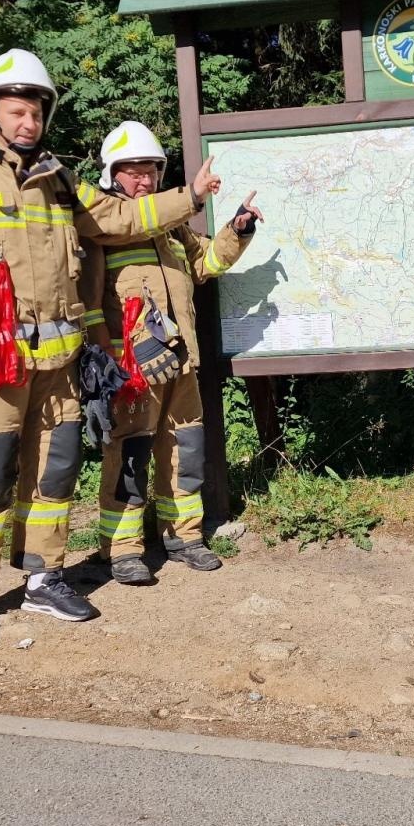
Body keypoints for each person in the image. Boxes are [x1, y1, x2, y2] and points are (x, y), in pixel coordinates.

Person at [0, 50, 220, 649]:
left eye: (36, 112)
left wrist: (189, 198)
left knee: (55, 472)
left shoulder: (61, 181)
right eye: (16, 111)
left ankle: (43, 576)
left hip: (59, 368)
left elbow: (118, 222)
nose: (28, 123)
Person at [80, 121, 261, 582]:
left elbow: (206, 263)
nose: (145, 181)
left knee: (186, 448)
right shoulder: (102, 227)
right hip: (132, 371)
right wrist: (109, 363)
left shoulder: (171, 229)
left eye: (151, 171)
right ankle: (122, 549)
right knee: (130, 453)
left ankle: (184, 536)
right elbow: (88, 301)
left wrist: (237, 231)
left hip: (181, 363)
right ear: (112, 175)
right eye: (134, 172)